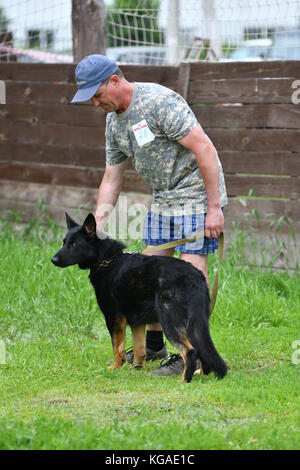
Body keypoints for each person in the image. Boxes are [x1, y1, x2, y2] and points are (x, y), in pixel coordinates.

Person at [71, 54, 227, 377]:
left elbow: (205, 149)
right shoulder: (114, 123)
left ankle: (194, 357)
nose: (95, 104)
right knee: (147, 270)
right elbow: (111, 179)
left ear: (114, 80)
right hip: (163, 198)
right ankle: (156, 346)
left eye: (97, 95)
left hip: (195, 192)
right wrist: (98, 221)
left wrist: (214, 208)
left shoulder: (158, 102)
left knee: (188, 274)